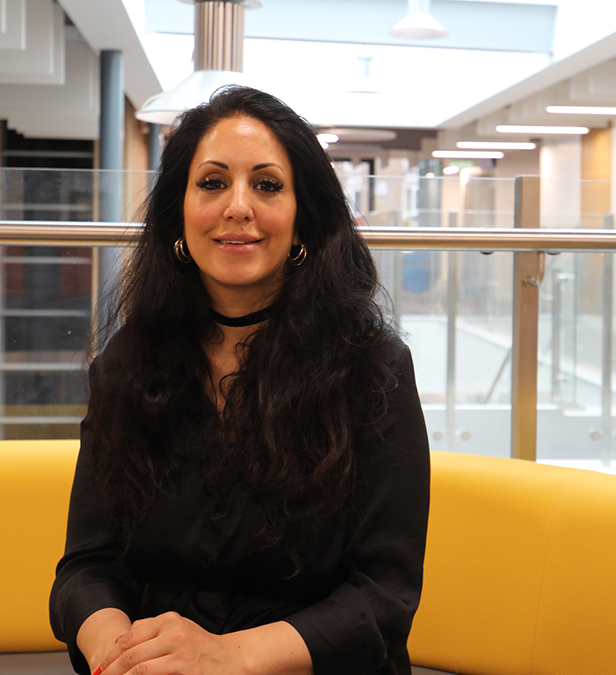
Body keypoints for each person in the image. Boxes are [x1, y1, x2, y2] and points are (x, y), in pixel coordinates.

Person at [49, 86, 430, 675]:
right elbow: (87, 567)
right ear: (179, 209)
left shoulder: (371, 366)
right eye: (212, 182)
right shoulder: (129, 361)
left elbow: (384, 597)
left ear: (304, 216)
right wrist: (118, 653)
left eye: (268, 184)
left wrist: (227, 657)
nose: (237, 206)